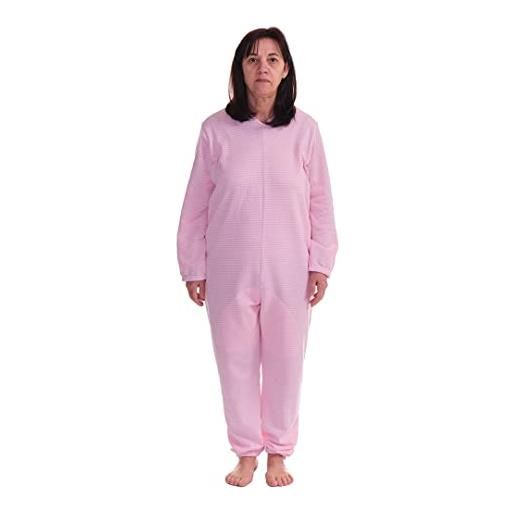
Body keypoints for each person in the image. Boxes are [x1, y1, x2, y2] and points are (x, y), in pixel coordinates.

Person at [177, 27, 338, 487]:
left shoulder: (305, 130)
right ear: (240, 70)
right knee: (235, 362)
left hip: (290, 270)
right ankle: (246, 451)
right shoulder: (215, 130)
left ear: (285, 69)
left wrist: (320, 262)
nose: (262, 67)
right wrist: (193, 266)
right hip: (229, 268)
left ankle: (279, 453)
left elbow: (320, 202)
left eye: (271, 59)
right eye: (252, 59)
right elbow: (196, 204)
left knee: (286, 363)